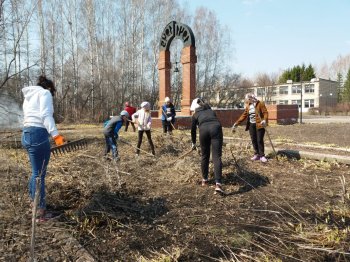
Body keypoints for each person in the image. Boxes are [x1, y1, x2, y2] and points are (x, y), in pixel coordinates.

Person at [21, 75, 66, 222]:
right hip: (38, 134)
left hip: (26, 133)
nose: (52, 95)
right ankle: (40, 213)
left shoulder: (29, 96)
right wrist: (56, 136)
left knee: (35, 173)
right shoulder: (45, 93)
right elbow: (46, 115)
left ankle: (34, 203)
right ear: (49, 88)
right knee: (39, 175)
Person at [190, 98, 224, 194]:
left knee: (205, 156)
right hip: (216, 129)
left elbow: (192, 130)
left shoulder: (195, 114)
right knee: (216, 157)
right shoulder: (211, 111)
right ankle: (218, 183)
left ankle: (204, 180)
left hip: (203, 130)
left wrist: (193, 143)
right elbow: (216, 121)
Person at [232, 93, 269, 163]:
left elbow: (265, 113)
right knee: (254, 140)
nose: (247, 101)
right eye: (247, 100)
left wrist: (264, 120)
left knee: (259, 140)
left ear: (252, 98)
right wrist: (237, 123)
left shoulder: (260, 103)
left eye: (248, 99)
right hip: (251, 125)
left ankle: (262, 156)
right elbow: (244, 115)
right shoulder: (249, 105)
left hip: (260, 125)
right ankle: (256, 154)